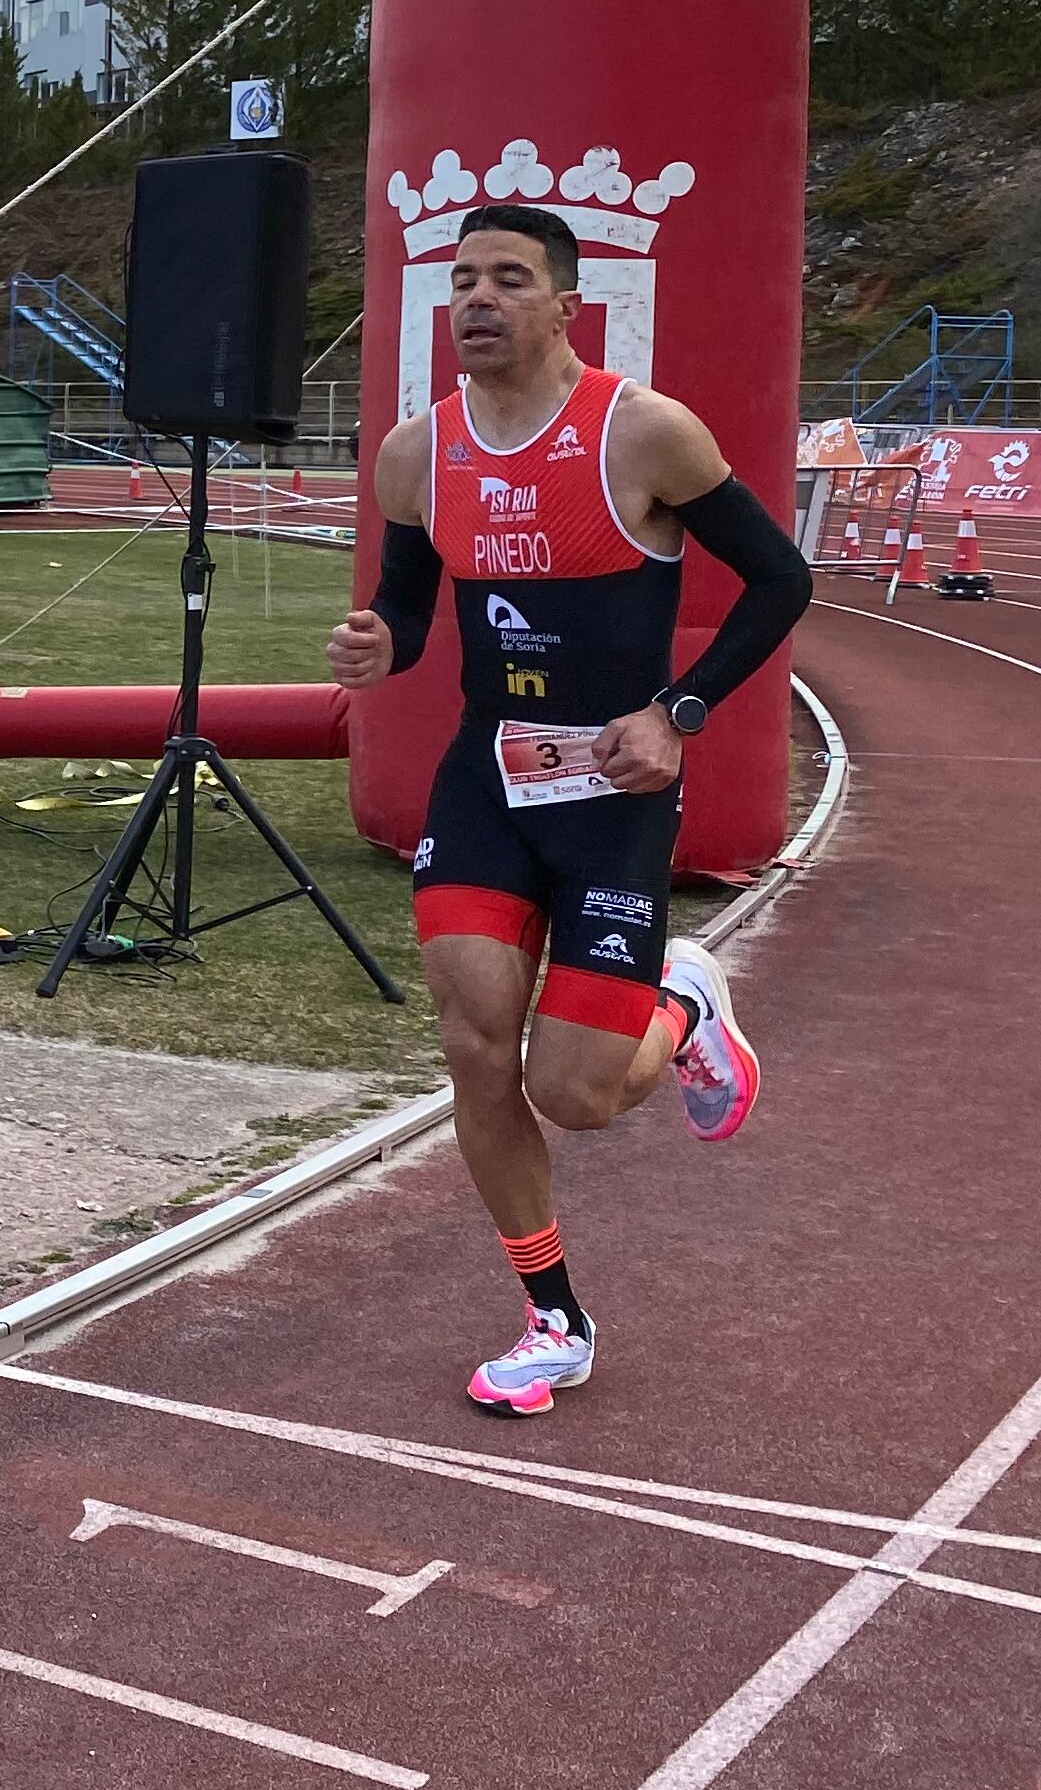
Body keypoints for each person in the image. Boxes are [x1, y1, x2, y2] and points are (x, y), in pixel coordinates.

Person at [328, 204, 812, 1415]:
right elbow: (408, 606)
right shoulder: (411, 451)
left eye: (507, 279)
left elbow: (780, 578)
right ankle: (555, 1320)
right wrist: (377, 642)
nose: (477, 300)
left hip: (615, 788)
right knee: (473, 1044)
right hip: (488, 780)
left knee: (575, 1094)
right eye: (461, 280)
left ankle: (680, 995)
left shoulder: (644, 433)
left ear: (565, 304)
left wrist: (680, 714)